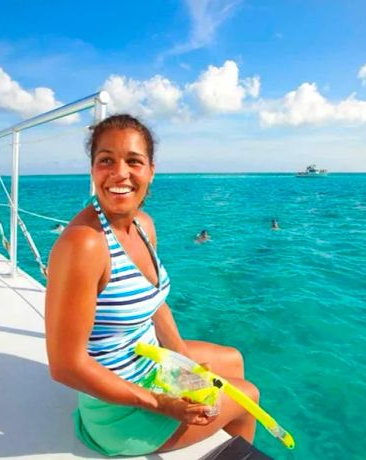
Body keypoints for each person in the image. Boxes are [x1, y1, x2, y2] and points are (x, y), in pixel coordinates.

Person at [45, 114, 259, 456]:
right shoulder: (84, 245)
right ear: (92, 170)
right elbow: (65, 366)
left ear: (150, 171)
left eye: (133, 161)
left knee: (232, 360)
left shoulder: (143, 224)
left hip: (151, 362)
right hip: (118, 408)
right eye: (106, 161)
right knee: (248, 397)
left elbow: (154, 304)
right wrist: (161, 403)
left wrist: (184, 365)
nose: (120, 173)